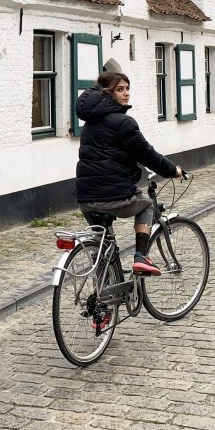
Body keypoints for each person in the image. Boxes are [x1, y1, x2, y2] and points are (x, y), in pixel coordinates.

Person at [75, 70, 183, 276]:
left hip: (86, 198)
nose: (126, 93)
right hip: (115, 197)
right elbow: (148, 155)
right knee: (147, 206)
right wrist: (173, 170)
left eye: (127, 88)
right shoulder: (124, 122)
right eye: (120, 89)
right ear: (107, 94)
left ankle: (103, 301)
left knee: (103, 249)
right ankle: (141, 257)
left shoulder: (90, 125)